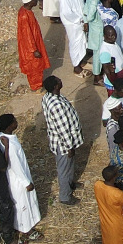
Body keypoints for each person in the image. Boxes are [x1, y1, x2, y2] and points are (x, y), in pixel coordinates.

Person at [0, 114, 41, 240]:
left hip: (11, 178)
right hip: (18, 181)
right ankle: (26, 230)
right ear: (10, 126)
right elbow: (16, 166)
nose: (16, 122)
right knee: (22, 205)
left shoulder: (0, 137)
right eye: (14, 121)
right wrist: (27, 183)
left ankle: (19, 226)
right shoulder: (10, 145)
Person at [40, 75, 83, 205]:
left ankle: (70, 184)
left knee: (69, 164)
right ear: (55, 86)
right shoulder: (56, 105)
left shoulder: (49, 96)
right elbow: (63, 129)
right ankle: (65, 196)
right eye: (59, 81)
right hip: (63, 143)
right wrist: (69, 147)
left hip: (64, 140)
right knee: (64, 169)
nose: (61, 80)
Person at [59, 0, 88, 74]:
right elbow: (66, 12)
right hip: (73, 22)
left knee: (81, 41)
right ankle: (76, 66)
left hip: (80, 19)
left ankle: (80, 60)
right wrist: (79, 20)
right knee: (75, 43)